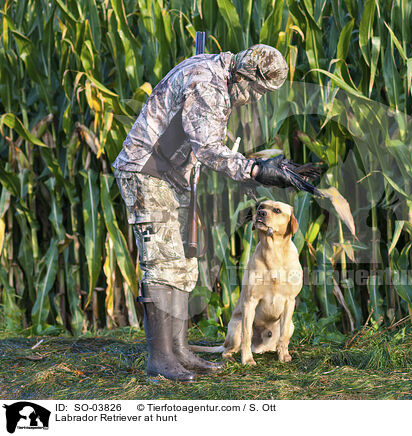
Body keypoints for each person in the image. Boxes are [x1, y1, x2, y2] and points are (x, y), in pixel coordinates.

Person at [112, 44, 307, 381]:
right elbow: (209, 149)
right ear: (245, 77)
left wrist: (247, 171)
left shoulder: (221, 76)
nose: (258, 98)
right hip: (147, 171)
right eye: (260, 90)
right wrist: (256, 170)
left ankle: (180, 350)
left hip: (173, 174)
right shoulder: (207, 83)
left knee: (184, 265)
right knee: (163, 263)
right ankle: (160, 360)